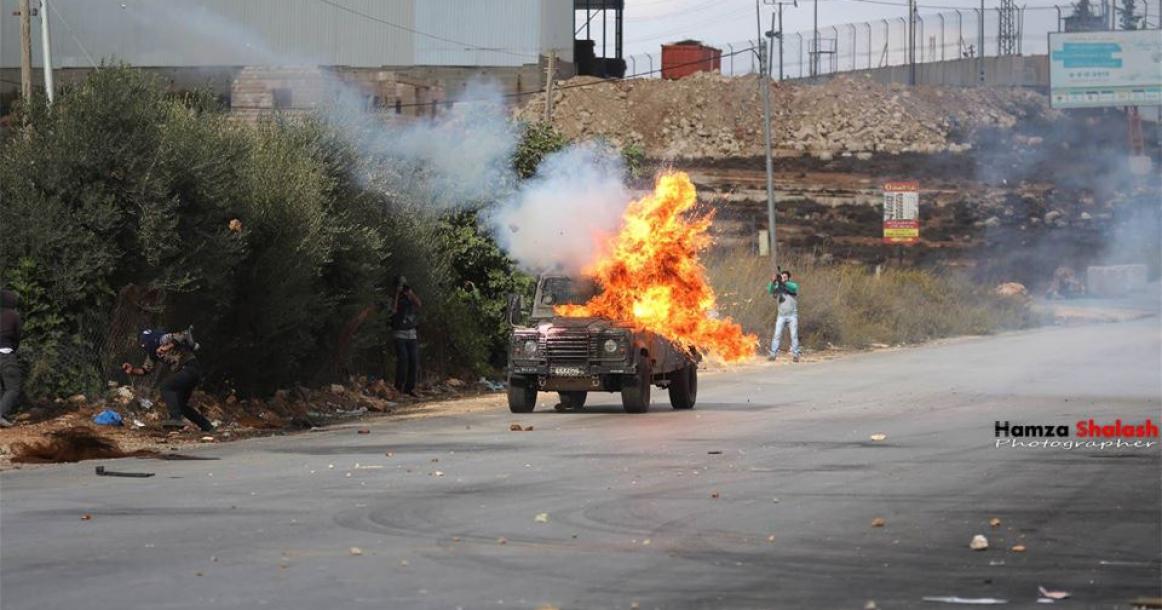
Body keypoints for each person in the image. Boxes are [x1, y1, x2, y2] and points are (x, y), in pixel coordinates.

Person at [122, 327, 214, 432]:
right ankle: (207, 426)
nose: (143, 346)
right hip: (187, 373)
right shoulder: (152, 354)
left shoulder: (162, 339)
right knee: (180, 405)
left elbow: (183, 334)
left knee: (166, 386)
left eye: (144, 343)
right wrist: (132, 370)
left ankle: (175, 418)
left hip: (190, 367)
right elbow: (145, 370)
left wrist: (167, 347)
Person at [390, 276, 421, 397]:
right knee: (403, 360)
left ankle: (410, 388)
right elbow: (393, 310)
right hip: (399, 333)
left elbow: (419, 304)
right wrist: (397, 294)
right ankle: (398, 387)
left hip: (411, 333)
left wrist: (411, 294)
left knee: (414, 361)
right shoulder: (394, 297)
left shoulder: (409, 296)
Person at [0, 289, 23, 428]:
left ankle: (3, 415)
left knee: (1, 388)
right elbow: (17, 336)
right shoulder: (13, 315)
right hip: (5, 354)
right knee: (13, 388)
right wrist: (12, 350)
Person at [767, 270, 801, 363]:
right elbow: (770, 290)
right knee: (777, 335)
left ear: (788, 278)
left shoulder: (791, 285)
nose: (783, 278)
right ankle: (773, 354)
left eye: (785, 277)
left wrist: (783, 282)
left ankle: (796, 355)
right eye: (782, 276)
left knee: (794, 336)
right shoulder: (778, 287)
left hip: (792, 315)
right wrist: (773, 281)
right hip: (781, 315)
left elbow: (793, 288)